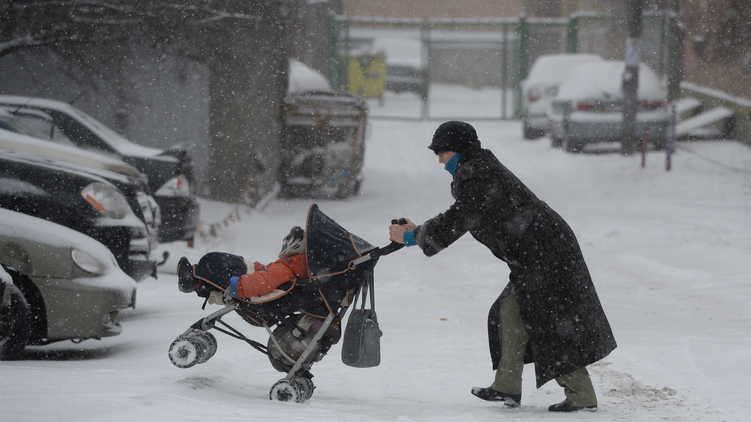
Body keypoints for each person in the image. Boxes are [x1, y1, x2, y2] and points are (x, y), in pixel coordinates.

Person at [388, 121, 616, 412]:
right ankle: (507, 386)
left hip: (545, 254)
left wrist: (412, 237)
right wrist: (421, 232)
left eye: (441, 153)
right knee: (510, 311)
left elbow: (460, 217)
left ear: (455, 150)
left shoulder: (476, 173)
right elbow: (463, 214)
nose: (440, 160)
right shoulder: (476, 169)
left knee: (549, 322)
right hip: (540, 251)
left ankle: (581, 396)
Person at [177, 226, 308, 305]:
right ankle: (195, 279)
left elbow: (263, 281)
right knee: (214, 266)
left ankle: (191, 277)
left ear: (295, 246)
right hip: (250, 276)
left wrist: (237, 287)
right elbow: (268, 274)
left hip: (245, 282)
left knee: (212, 261)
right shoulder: (293, 266)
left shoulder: (287, 269)